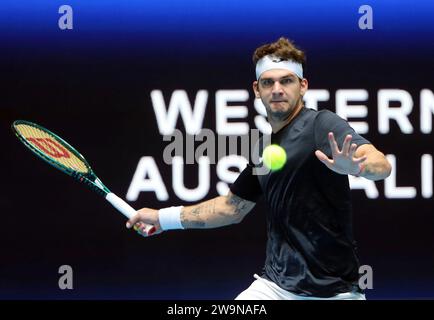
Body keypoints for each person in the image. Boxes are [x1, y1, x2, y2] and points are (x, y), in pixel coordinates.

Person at [126, 37, 392, 300]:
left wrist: (356, 167)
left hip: (335, 292)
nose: (277, 89)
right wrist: (163, 218)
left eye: (286, 81)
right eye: (268, 82)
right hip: (275, 288)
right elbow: (230, 208)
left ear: (303, 86)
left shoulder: (322, 124)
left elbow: (382, 165)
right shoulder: (263, 150)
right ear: (257, 89)